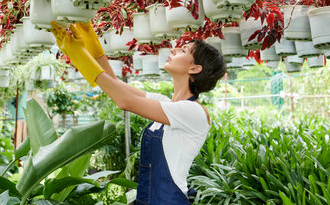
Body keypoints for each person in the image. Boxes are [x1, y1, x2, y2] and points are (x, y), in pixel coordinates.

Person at [50, 21, 226, 205]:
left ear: (195, 68)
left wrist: (79, 55)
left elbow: (124, 101)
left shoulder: (193, 112)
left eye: (183, 50)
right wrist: (90, 43)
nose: (173, 50)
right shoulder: (165, 103)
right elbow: (115, 85)